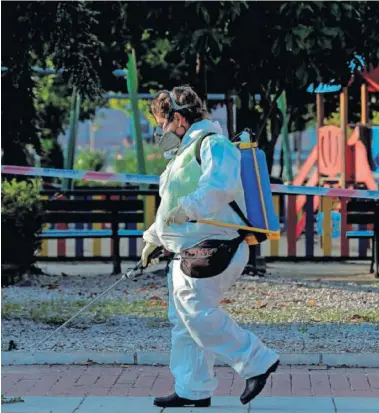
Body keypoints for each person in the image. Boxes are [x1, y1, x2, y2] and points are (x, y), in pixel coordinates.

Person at [142, 86, 279, 408]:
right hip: (187, 250)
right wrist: (153, 238)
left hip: (215, 246)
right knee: (184, 320)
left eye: (161, 122)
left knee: (196, 312)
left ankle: (257, 360)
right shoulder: (183, 154)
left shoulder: (214, 145)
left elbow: (220, 187)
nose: (160, 130)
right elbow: (169, 206)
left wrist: (188, 207)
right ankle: (193, 389)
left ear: (177, 118)